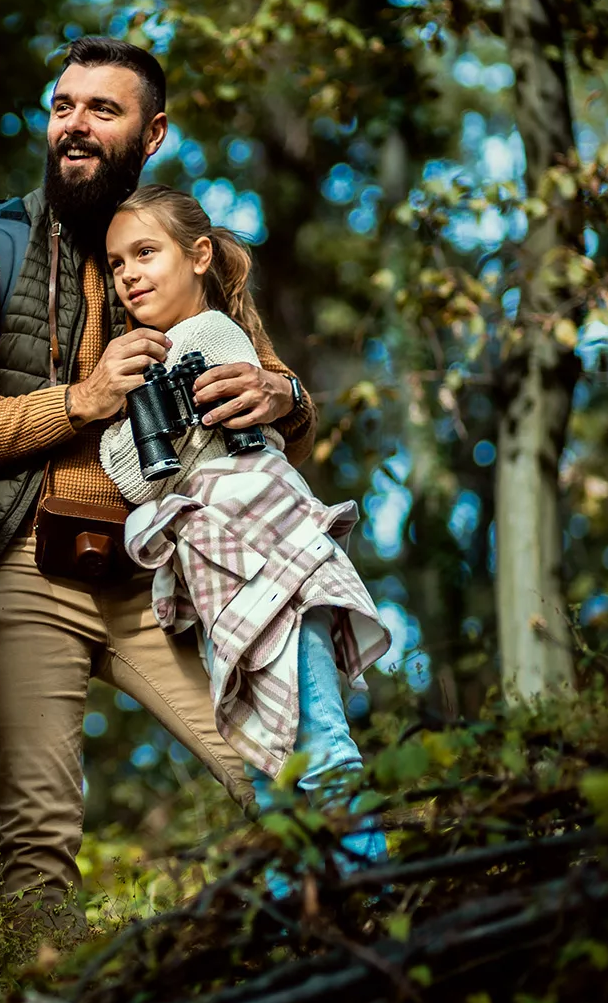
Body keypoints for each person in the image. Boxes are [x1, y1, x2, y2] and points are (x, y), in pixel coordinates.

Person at [0, 36, 319, 915]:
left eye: (103, 110)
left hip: (172, 568)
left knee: (271, 763)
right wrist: (82, 399)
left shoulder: (174, 242)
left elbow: (283, 391)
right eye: (63, 107)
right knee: (38, 831)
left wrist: (279, 391)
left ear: (153, 131)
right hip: (27, 568)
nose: (75, 125)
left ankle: (340, 945)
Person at [99, 186, 390, 868]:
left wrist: (121, 413)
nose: (130, 275)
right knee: (276, 756)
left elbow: (136, 471)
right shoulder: (165, 350)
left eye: (146, 253)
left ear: (199, 256)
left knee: (314, 739)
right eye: (117, 264)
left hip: (266, 559)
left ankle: (377, 890)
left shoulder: (204, 337)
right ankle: (316, 907)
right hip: (232, 568)